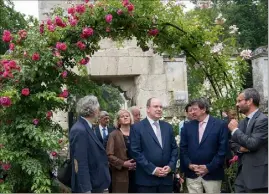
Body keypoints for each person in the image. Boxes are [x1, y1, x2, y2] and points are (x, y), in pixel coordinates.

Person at [130, 97, 178, 193]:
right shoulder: (137, 127)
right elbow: (135, 152)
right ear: (148, 109)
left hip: (166, 180)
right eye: (155, 106)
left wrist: (170, 166)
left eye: (161, 107)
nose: (159, 109)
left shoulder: (168, 127)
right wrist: (153, 169)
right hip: (146, 181)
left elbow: (174, 149)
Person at [180, 98, 228, 193]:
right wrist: (189, 165)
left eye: (195, 109)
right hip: (192, 174)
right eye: (191, 109)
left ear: (203, 109)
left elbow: (222, 150)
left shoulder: (220, 125)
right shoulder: (187, 126)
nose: (192, 112)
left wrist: (208, 168)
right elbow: (183, 148)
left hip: (212, 174)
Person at [228, 88, 268, 193]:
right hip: (242, 177)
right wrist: (242, 148)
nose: (237, 104)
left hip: (258, 179)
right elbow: (232, 143)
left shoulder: (263, 120)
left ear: (249, 101)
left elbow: (252, 144)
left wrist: (235, 130)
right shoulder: (242, 122)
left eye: (239, 101)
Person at [69, 95, 111, 193]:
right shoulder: (79, 129)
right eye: (98, 109)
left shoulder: (86, 126)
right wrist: (86, 190)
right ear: (94, 110)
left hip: (94, 183)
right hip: (88, 187)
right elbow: (80, 163)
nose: (99, 111)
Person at [106, 109, 136, 193]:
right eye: (122, 116)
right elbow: (109, 155)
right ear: (118, 120)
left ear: (130, 118)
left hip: (137, 172)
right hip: (121, 174)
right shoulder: (113, 135)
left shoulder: (137, 132)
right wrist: (123, 163)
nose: (125, 117)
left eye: (127, 116)